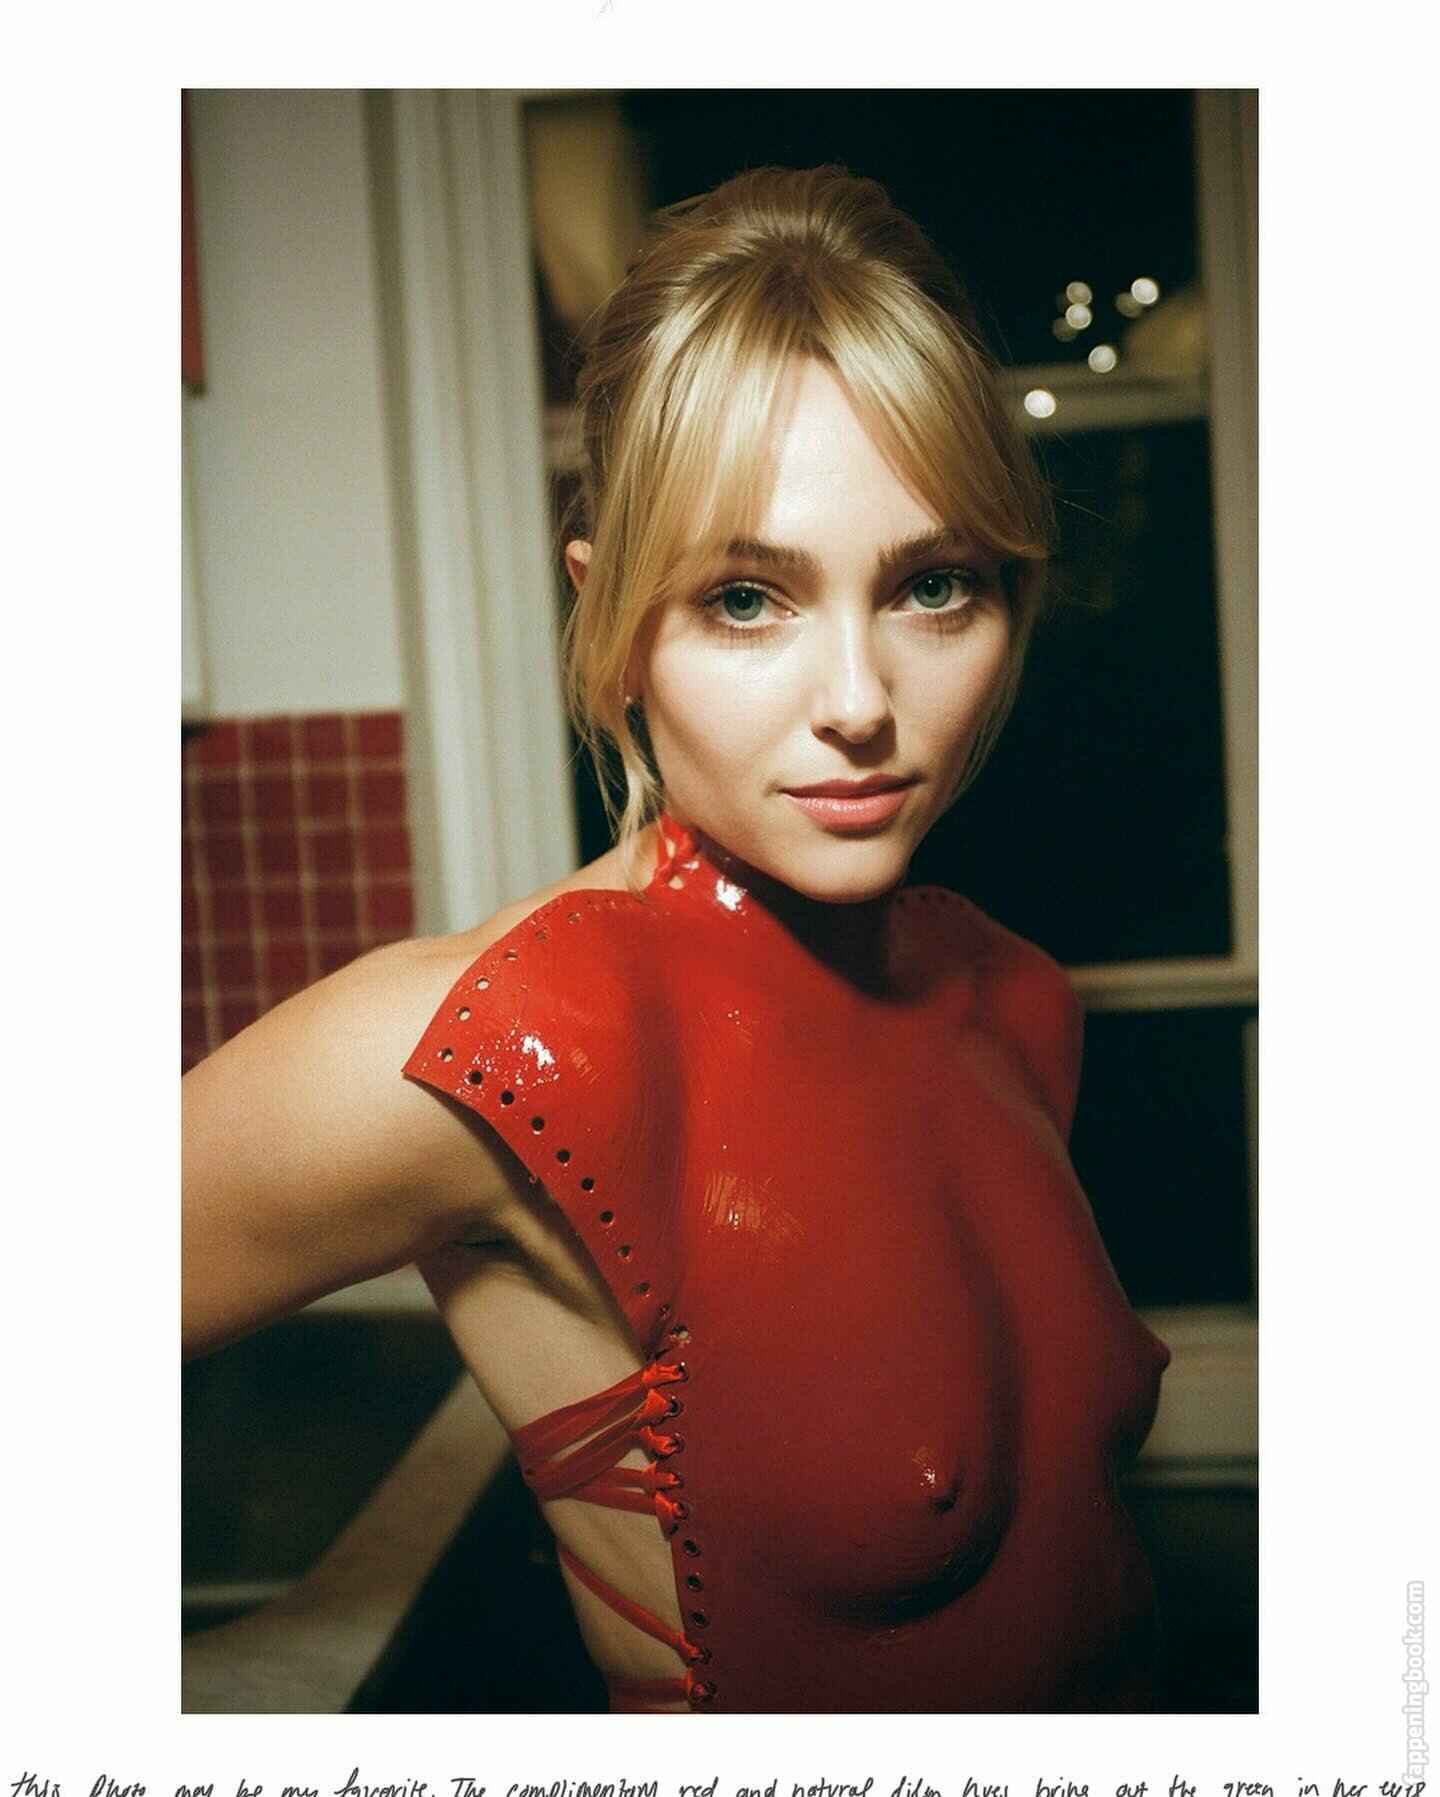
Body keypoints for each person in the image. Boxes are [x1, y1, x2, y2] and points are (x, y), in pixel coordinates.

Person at [183, 165, 1171, 1713]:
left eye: (933, 585)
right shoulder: (511, 1043)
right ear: (615, 618)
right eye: (747, 599)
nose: (859, 701)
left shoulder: (1012, 997)